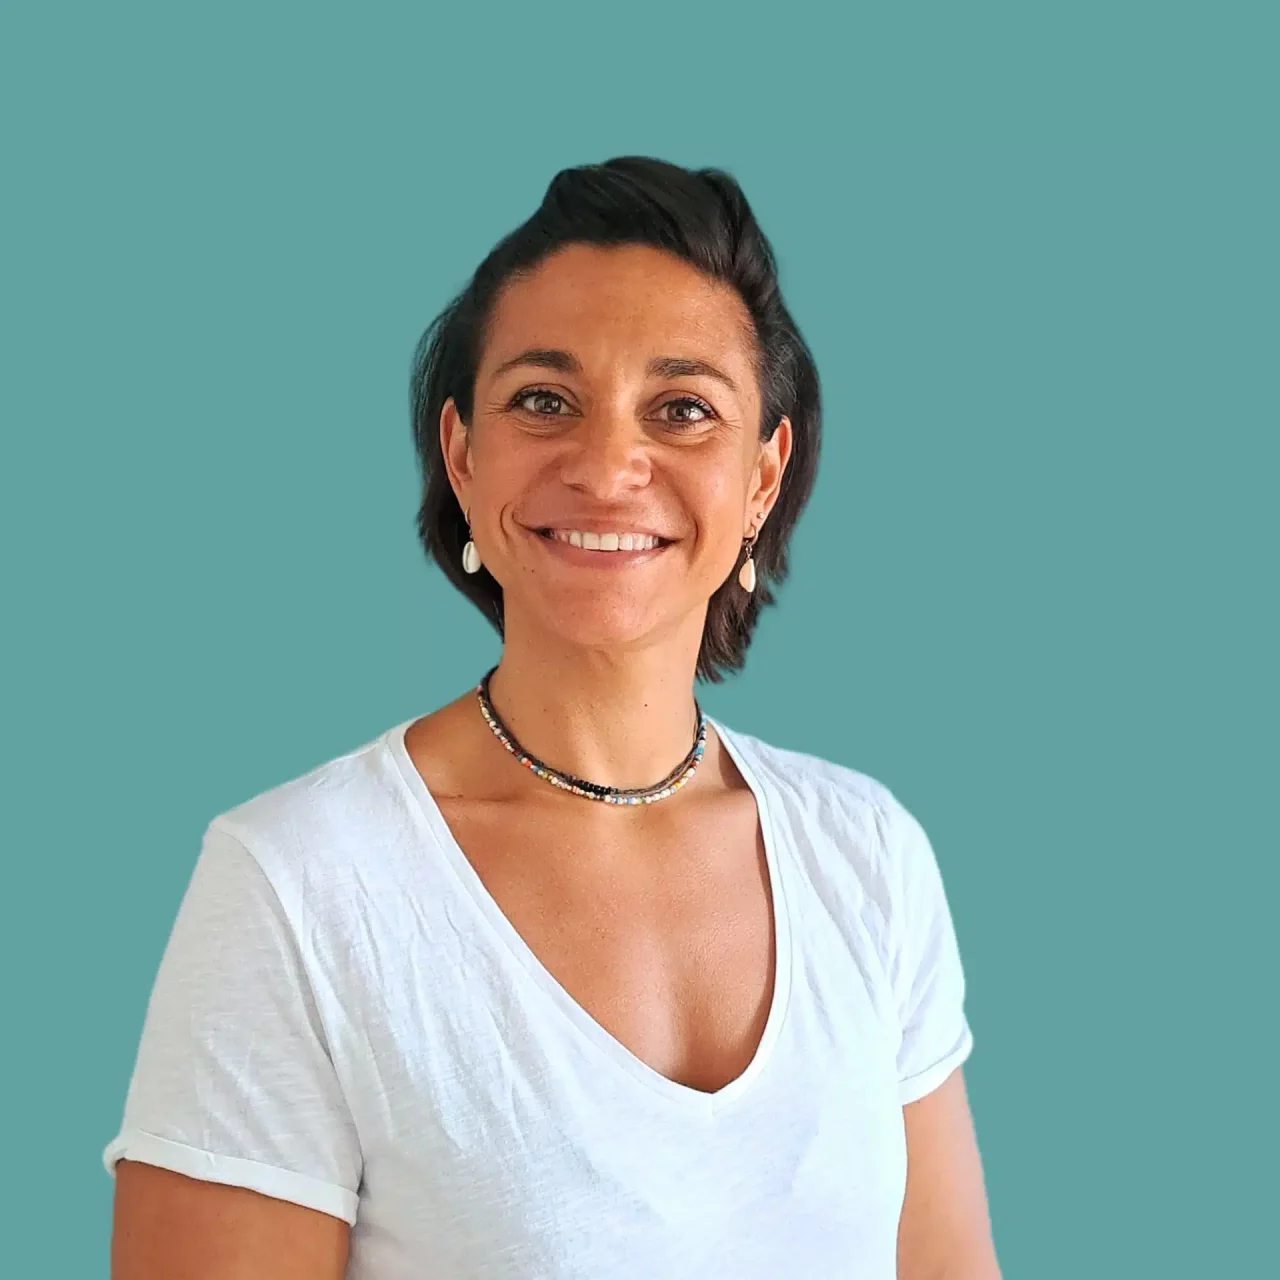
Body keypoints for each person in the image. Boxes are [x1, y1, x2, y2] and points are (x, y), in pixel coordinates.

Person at [104, 155, 1001, 1279]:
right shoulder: (299, 885)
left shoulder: (867, 854)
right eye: (543, 400)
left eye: (683, 410)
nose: (608, 465)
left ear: (762, 480)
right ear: (463, 456)